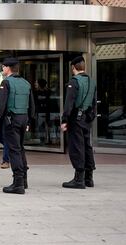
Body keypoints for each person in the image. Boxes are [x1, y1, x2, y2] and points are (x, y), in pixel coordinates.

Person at [0, 58, 35, 194]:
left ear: (7, 68)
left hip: (11, 120)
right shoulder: (26, 83)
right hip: (23, 119)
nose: (2, 69)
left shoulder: (6, 83)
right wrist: (29, 121)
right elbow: (32, 105)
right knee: (20, 148)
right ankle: (24, 180)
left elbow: (1, 105)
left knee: (14, 150)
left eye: (3, 67)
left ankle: (17, 184)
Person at [61, 56, 97, 189]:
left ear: (73, 67)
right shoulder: (91, 81)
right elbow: (94, 103)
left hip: (76, 117)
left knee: (77, 147)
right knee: (87, 146)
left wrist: (65, 119)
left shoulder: (74, 81)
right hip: (87, 117)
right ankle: (89, 178)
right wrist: (90, 116)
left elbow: (69, 103)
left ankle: (79, 179)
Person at [34, 78, 51, 144]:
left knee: (41, 126)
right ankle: (45, 139)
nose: (35, 84)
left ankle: (43, 140)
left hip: (42, 112)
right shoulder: (48, 92)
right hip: (43, 112)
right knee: (43, 126)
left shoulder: (36, 93)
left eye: (36, 83)